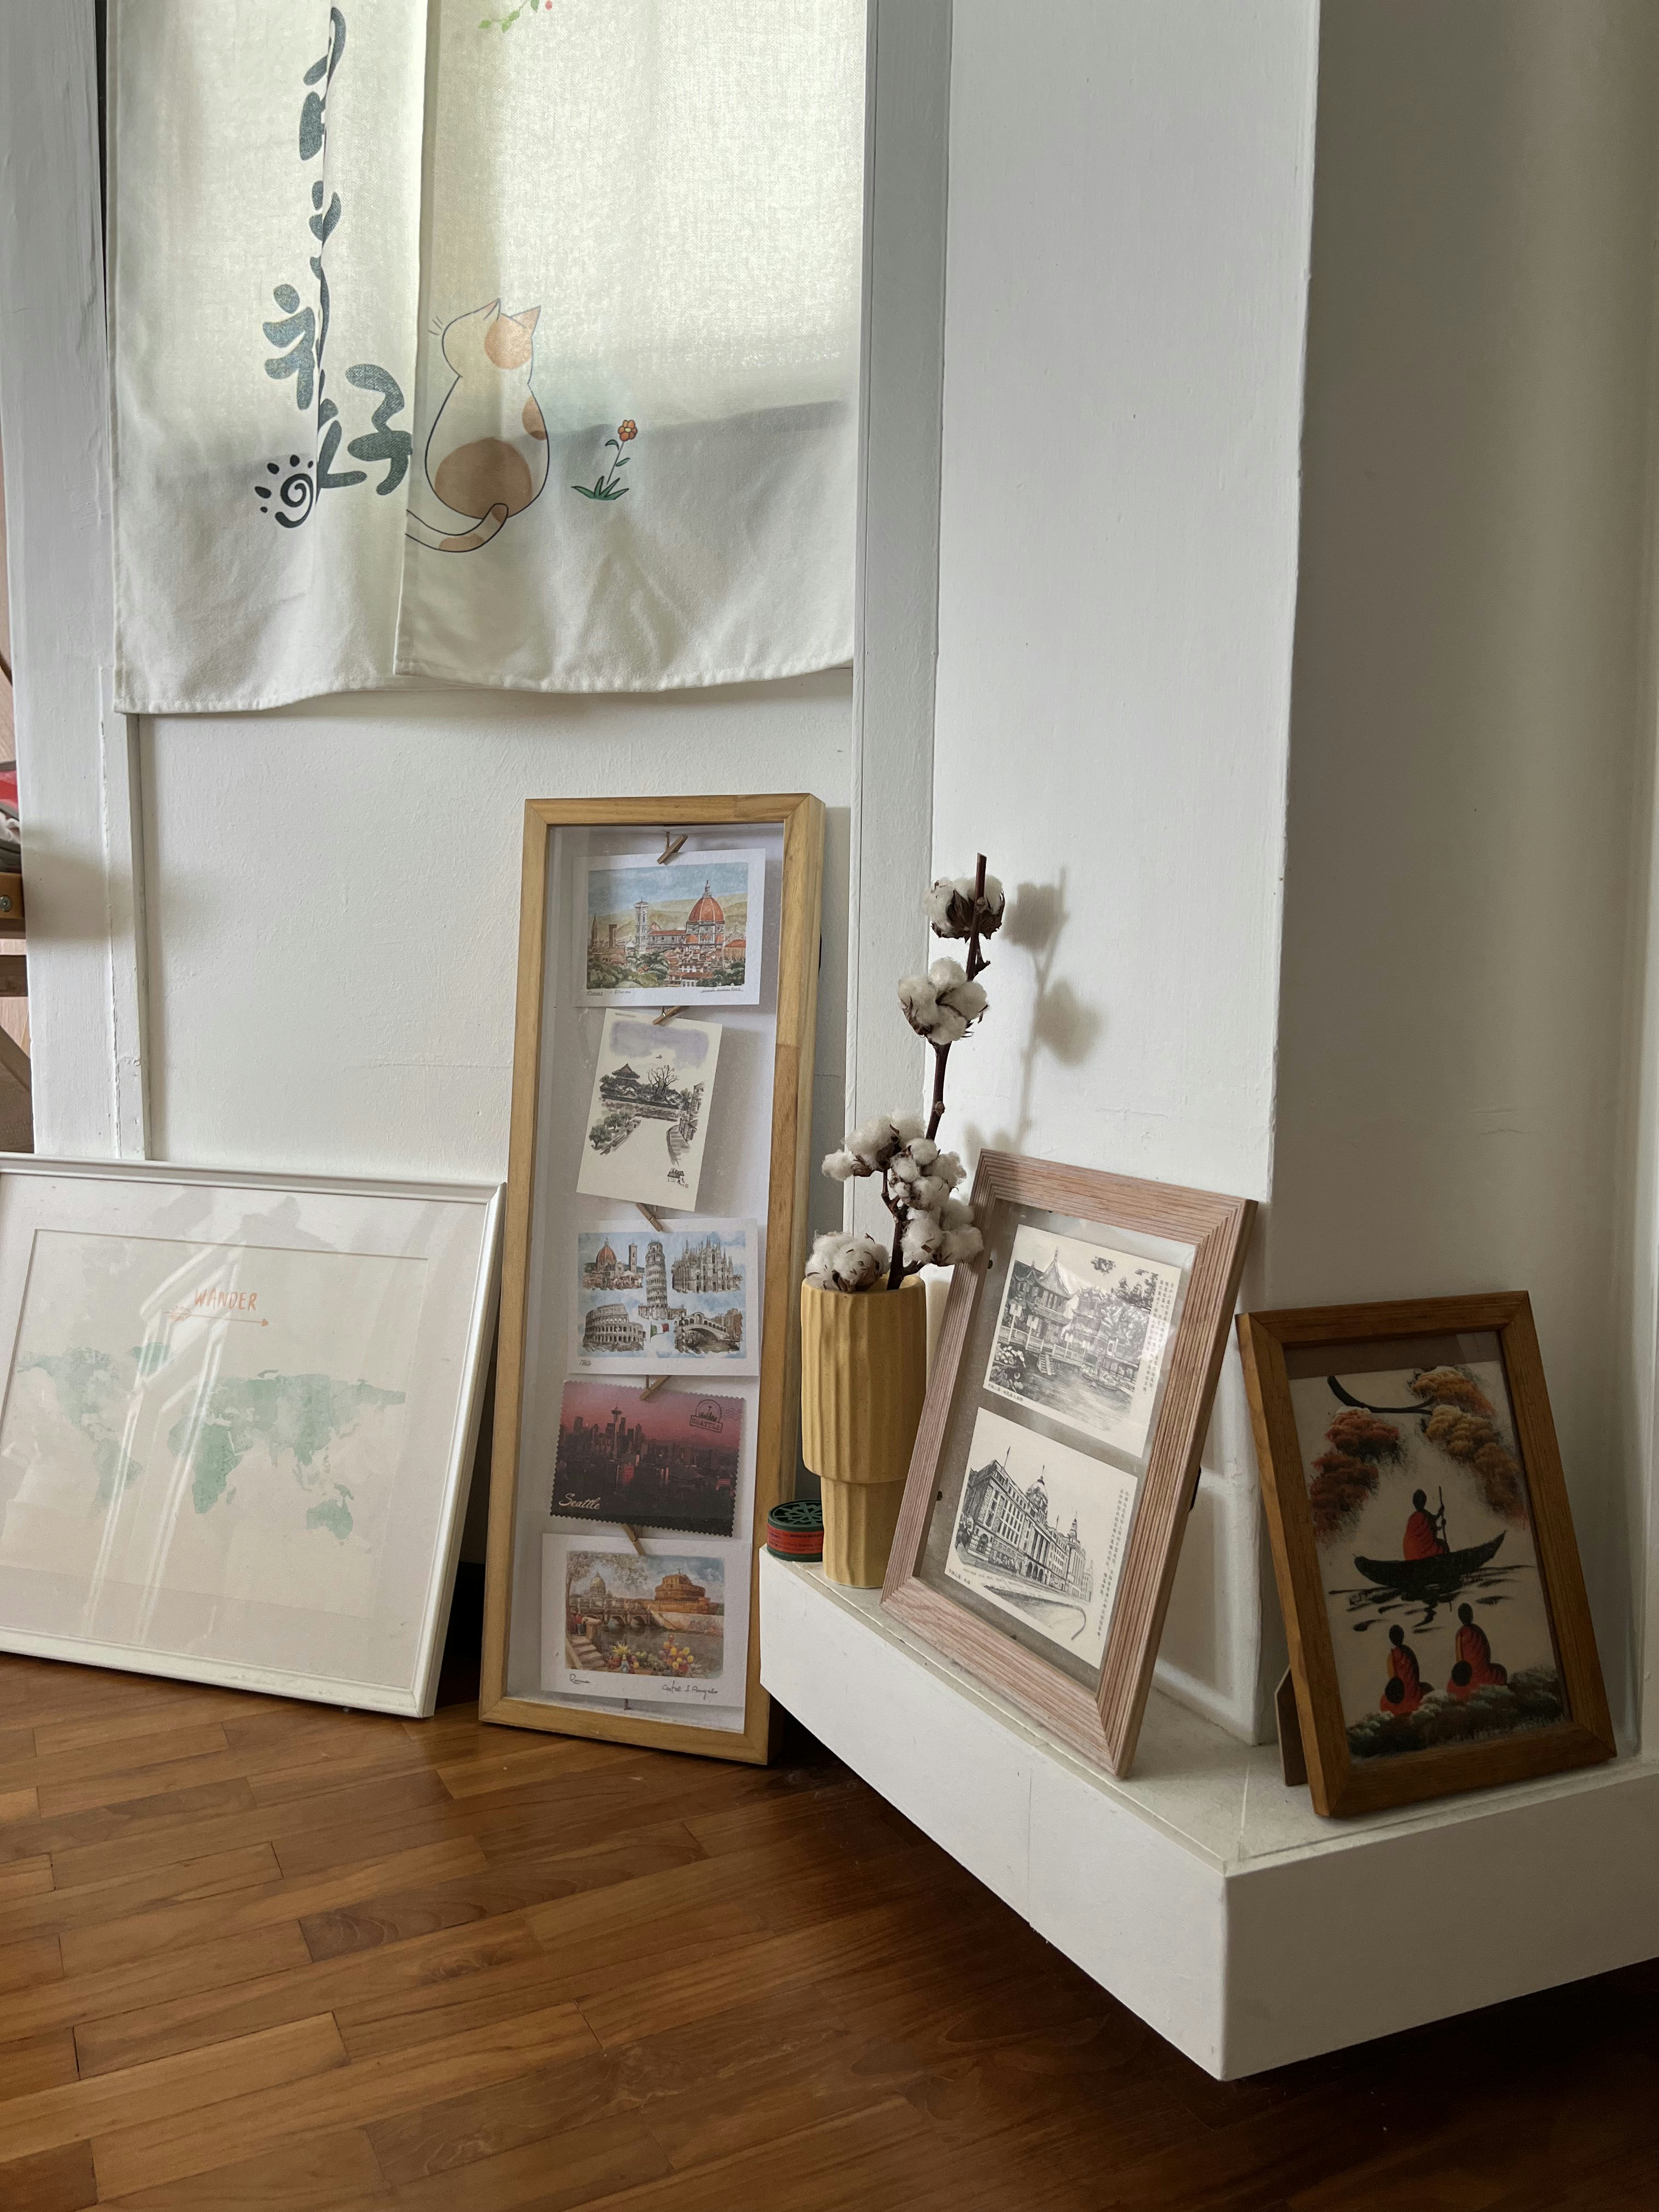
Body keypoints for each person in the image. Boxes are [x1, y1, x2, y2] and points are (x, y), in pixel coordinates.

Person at [1446, 1602, 1508, 1698]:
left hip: (1468, 1677)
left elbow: (1459, 1661)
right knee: (1501, 1672)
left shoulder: (1460, 1634)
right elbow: (1487, 1652)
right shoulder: (1477, 1630)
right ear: (1471, 1615)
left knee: (1451, 1686)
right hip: (1485, 1674)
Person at [1379, 1622, 1428, 1716]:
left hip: (1400, 1698)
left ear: (1391, 1639)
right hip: (1416, 1696)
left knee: (1384, 1701)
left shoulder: (1392, 1657)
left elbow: (1393, 1681)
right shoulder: (1409, 1652)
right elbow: (1417, 1674)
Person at [1402, 1488, 1449, 1560]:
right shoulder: (1423, 1516)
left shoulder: (1413, 1517)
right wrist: (1441, 1525)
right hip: (1423, 1554)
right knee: (1443, 1546)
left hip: (1410, 1554)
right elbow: (1432, 1527)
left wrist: (1439, 1514)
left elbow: (1432, 1521)